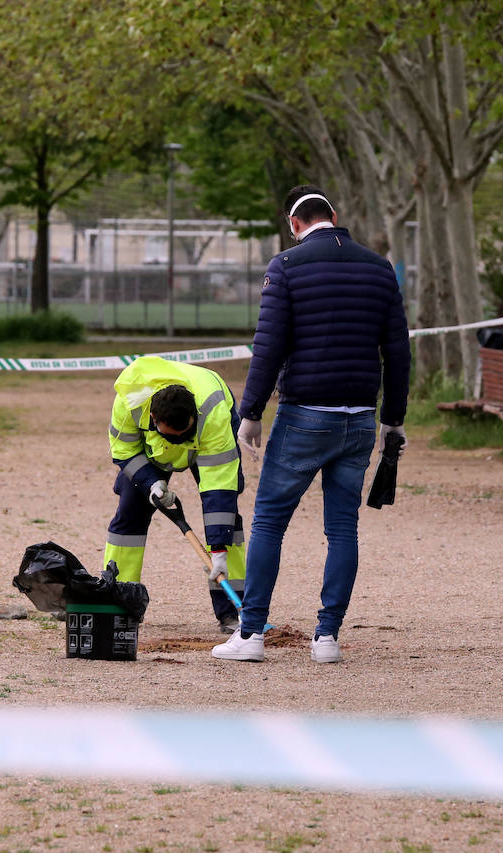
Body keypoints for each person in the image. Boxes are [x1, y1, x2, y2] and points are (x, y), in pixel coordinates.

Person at [212, 185, 410, 664]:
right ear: (334, 216)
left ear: (293, 224)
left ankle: (252, 633)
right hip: (360, 417)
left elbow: (269, 345)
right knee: (342, 529)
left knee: (269, 524)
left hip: (304, 414)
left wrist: (251, 412)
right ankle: (327, 638)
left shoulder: (285, 267)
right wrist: (394, 420)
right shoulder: (380, 268)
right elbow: (398, 351)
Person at [103, 355, 247, 631]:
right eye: (172, 436)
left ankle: (235, 610)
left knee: (226, 521)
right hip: (150, 450)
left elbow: (219, 488)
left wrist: (218, 551)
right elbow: (123, 450)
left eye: (184, 434)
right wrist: (150, 482)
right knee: (128, 516)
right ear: (153, 418)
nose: (179, 441)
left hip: (209, 439)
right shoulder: (129, 400)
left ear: (194, 416)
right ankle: (118, 601)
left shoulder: (212, 413)